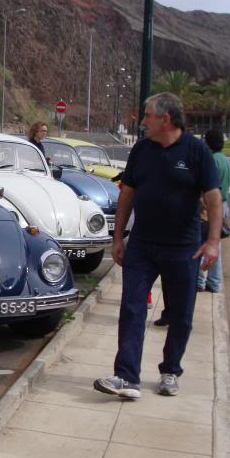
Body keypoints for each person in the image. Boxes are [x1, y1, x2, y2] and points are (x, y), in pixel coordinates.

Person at [93, 93, 222, 399]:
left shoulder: (197, 151)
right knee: (132, 309)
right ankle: (126, 378)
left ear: (166, 119)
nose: (142, 121)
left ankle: (170, 371)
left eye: (147, 115)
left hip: (183, 249)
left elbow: (214, 200)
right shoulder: (141, 150)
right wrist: (118, 237)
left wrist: (213, 242)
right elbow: (127, 194)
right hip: (142, 246)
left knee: (180, 315)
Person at [196, 128, 230, 293]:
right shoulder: (226, 160)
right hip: (224, 204)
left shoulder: (212, 161)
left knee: (203, 242)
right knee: (215, 244)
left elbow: (208, 188)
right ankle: (215, 281)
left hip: (211, 206)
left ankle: (200, 281)